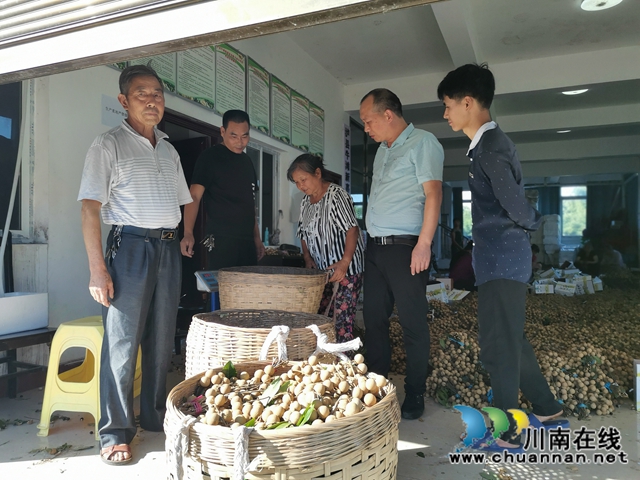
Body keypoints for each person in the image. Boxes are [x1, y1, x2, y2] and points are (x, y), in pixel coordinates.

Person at [438, 63, 563, 450]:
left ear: (469, 103)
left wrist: (531, 225)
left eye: (448, 105)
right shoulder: (488, 146)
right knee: (511, 339)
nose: (445, 114)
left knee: (498, 347)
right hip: (499, 260)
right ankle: (547, 408)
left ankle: (507, 432)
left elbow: (515, 206)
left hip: (502, 261)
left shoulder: (489, 150)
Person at [78, 65, 192, 465]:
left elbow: (181, 204)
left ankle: (155, 416)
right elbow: (90, 209)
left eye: (157, 93)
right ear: (124, 101)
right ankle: (115, 431)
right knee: (122, 344)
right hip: (130, 247)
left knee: (161, 341)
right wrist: (97, 269)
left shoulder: (169, 148)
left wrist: (183, 240)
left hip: (167, 248)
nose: (152, 100)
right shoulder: (107, 145)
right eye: (141, 93)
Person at [359, 88, 444, 420]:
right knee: (375, 320)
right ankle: (377, 386)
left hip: (406, 248)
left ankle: (415, 393)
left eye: (368, 121)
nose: (366, 128)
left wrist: (424, 244)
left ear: (388, 115)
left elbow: (433, 195)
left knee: (411, 323)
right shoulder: (383, 150)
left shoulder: (423, 143)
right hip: (376, 248)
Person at [287, 154, 365, 344]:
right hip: (323, 272)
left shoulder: (337, 195)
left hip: (346, 270)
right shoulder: (306, 202)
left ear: (318, 173)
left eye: (303, 180)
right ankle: (324, 360)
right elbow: (303, 233)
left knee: (341, 320)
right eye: (296, 182)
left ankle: (343, 363)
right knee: (321, 317)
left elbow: (352, 229)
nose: (300, 186)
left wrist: (345, 262)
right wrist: (307, 257)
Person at [180, 110, 265, 268]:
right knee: (224, 289)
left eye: (244, 136)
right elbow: (194, 195)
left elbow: (250, 204)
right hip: (222, 239)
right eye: (234, 136)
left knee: (248, 289)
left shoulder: (247, 162)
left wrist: (257, 238)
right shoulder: (210, 157)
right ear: (222, 131)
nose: (240, 142)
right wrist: (188, 232)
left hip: (246, 241)